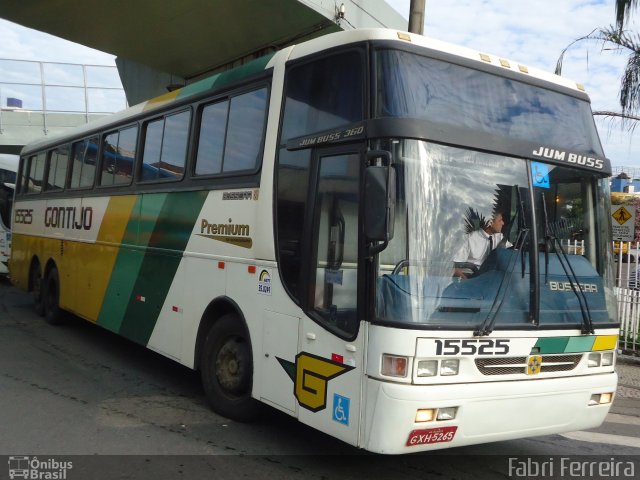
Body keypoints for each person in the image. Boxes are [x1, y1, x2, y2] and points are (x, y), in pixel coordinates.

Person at [453, 211, 507, 279]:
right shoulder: (470, 239)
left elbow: (514, 251)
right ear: (491, 222)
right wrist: (468, 282)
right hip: (471, 279)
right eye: (500, 220)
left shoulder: (500, 238)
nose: (503, 223)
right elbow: (455, 268)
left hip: (492, 280)